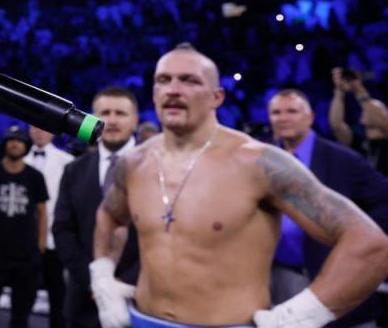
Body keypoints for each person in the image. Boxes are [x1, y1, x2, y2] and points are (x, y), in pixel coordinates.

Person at [91, 43, 388, 328]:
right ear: (154, 91)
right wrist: (102, 276)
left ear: (217, 97)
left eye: (189, 80)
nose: (174, 90)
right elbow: (110, 216)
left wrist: (302, 315)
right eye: (163, 80)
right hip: (144, 321)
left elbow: (371, 244)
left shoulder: (259, 164)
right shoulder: (133, 163)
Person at [268, 88, 388, 327]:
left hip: (336, 282)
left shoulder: (342, 159)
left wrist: (358, 242)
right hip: (278, 280)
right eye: (276, 112)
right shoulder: (260, 157)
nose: (283, 118)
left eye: (292, 111)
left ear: (310, 117)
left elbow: (384, 200)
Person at [54, 86, 141, 328]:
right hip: (82, 298)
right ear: (92, 119)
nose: (111, 120)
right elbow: (62, 230)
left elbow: (164, 235)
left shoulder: (157, 168)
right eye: (105, 113)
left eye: (120, 113)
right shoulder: (74, 170)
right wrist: (96, 282)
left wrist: (122, 283)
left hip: (140, 296)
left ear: (135, 120)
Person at [0, 125, 49, 328]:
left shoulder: (35, 177)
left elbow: (43, 212)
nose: (15, 144)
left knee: (21, 315)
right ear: (5, 144)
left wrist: (40, 244)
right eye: (11, 140)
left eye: (19, 141)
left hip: (27, 254)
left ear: (26, 146)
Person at [25, 126, 74, 328]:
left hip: (55, 239)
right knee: (24, 293)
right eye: (34, 128)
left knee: (57, 294)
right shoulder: (18, 161)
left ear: (53, 132)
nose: (39, 132)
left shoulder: (68, 162)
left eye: (43, 129)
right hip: (24, 240)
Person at [329, 67, 388, 176]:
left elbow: (374, 113)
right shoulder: (360, 144)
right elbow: (336, 125)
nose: (365, 109)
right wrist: (339, 91)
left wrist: (358, 88)